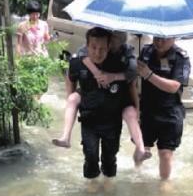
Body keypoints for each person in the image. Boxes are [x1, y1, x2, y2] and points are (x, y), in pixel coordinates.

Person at [52, 31, 150, 165]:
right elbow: (77, 64)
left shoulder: (126, 52)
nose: (107, 49)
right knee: (72, 99)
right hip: (91, 93)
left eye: (114, 45)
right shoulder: (95, 46)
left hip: (118, 94)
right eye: (110, 44)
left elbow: (132, 76)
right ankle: (65, 136)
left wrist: (113, 77)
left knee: (130, 113)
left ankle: (140, 149)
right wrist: (96, 72)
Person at [67, 27, 132, 189]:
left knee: (110, 155)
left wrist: (114, 77)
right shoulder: (78, 61)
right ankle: (92, 181)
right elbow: (70, 77)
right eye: (94, 48)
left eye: (102, 48)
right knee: (90, 154)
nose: (97, 52)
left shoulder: (118, 63)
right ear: (87, 46)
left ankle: (109, 180)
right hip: (89, 119)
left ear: (109, 46)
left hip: (112, 120)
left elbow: (132, 77)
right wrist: (70, 97)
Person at [136, 37, 190, 184]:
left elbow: (174, 87)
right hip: (147, 110)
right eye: (157, 38)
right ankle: (136, 174)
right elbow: (135, 81)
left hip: (170, 112)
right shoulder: (146, 51)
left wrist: (149, 75)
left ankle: (164, 183)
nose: (159, 42)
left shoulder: (181, 57)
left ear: (174, 38)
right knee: (141, 148)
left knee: (165, 153)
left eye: (164, 40)